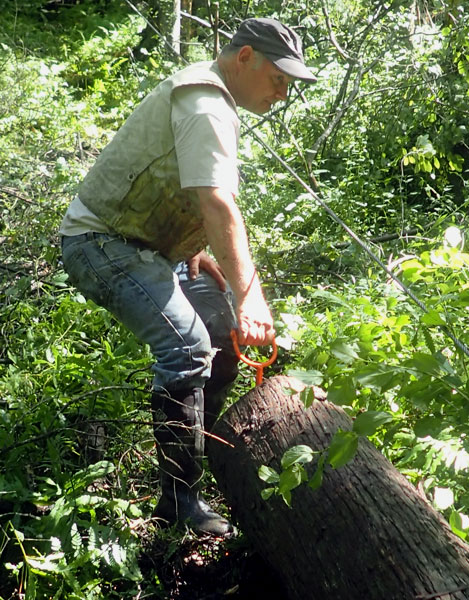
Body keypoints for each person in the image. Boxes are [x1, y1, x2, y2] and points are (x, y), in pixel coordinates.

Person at [60, 18, 317, 536]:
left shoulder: (216, 99)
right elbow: (217, 203)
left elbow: (191, 194)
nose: (283, 91)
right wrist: (251, 299)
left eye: (291, 82)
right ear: (244, 57)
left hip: (155, 247)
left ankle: (212, 454)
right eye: (278, 77)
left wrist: (196, 252)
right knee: (188, 348)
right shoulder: (205, 104)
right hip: (103, 243)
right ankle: (178, 503)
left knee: (221, 341)